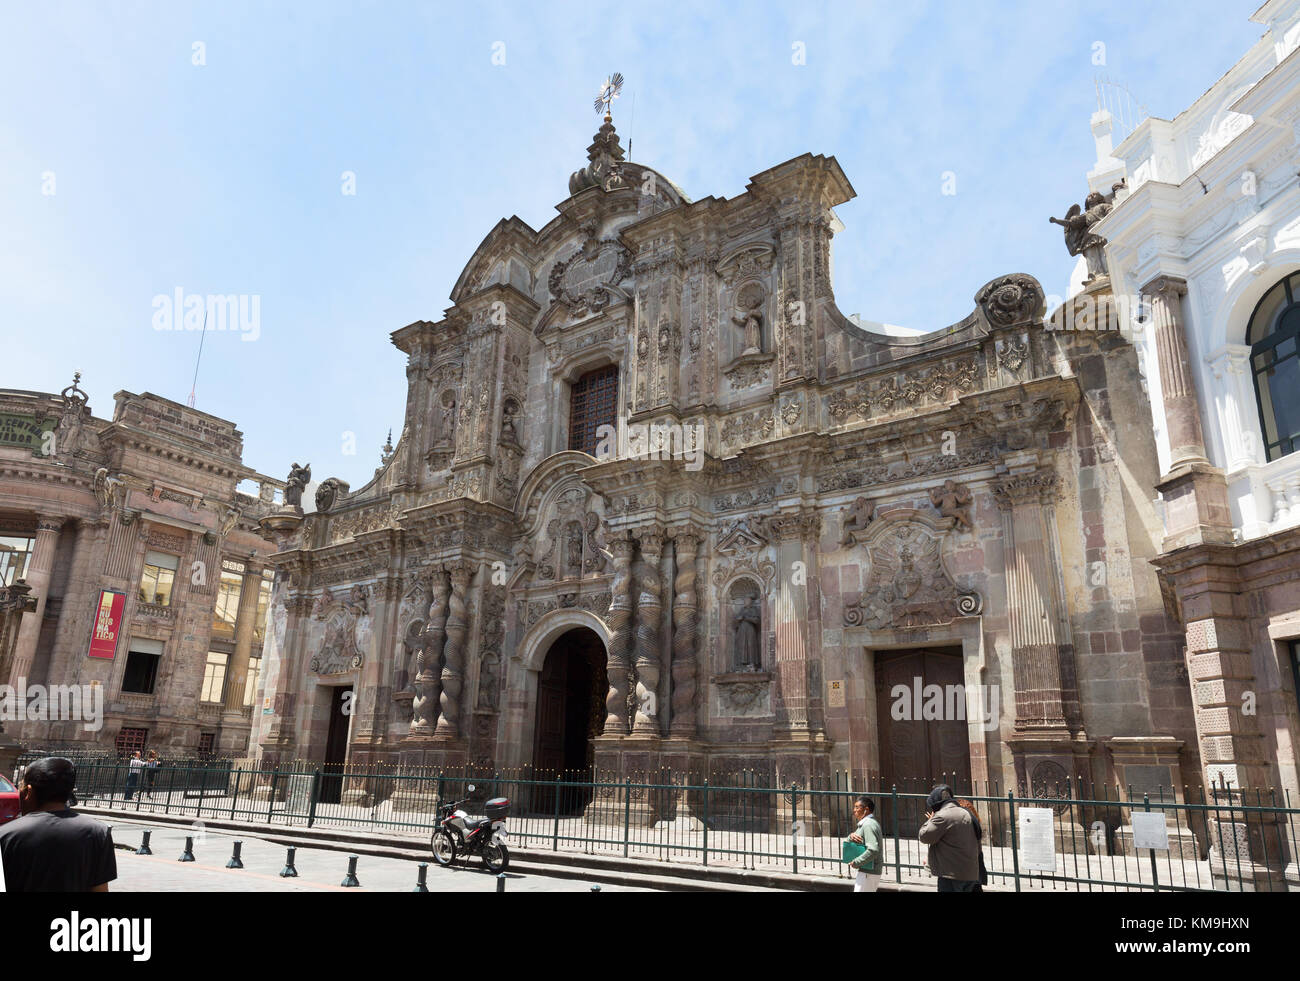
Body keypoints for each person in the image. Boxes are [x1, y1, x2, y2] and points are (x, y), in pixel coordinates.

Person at [0, 757, 117, 892]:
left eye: (21, 786)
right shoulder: (98, 833)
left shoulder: (6, 835)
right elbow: (100, 889)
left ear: (29, 792)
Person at [917, 784, 981, 893]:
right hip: (970, 873)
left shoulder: (942, 816)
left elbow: (924, 836)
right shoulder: (967, 813)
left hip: (951, 875)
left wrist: (930, 819)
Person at [845, 795, 884, 892]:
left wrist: (857, 862)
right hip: (867, 871)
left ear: (866, 809)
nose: (854, 810)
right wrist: (851, 836)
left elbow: (873, 850)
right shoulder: (866, 823)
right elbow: (851, 841)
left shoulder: (868, 825)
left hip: (869, 872)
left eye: (857, 807)